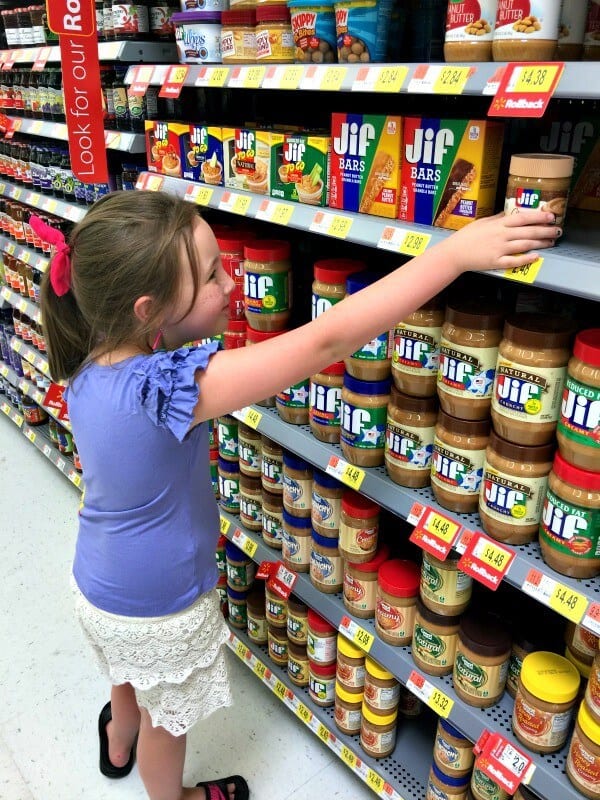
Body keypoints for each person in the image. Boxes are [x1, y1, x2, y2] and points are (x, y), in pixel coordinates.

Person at [37, 191, 559, 800]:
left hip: (97, 583)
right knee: (167, 720)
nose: (231, 283)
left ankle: (117, 739)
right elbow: (323, 344)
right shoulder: (168, 390)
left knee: (128, 677)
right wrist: (454, 255)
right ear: (148, 311)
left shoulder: (87, 362)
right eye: (210, 276)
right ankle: (169, 793)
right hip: (161, 603)